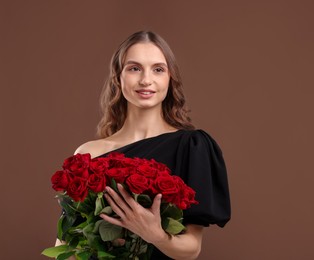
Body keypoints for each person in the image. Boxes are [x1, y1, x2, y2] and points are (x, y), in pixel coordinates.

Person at [55, 31, 231, 259]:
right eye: (134, 68)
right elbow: (64, 245)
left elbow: (191, 248)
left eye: (158, 69)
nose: (146, 80)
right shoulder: (87, 154)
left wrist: (155, 234)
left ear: (170, 78)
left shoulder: (192, 146)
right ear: (118, 77)